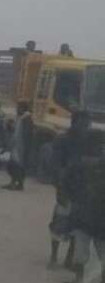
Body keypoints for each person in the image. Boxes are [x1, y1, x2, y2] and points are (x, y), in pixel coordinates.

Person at [61, 127, 105, 283]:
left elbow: (66, 183)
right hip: (102, 217)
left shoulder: (79, 162)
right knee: (103, 251)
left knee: (81, 251)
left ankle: (79, 281)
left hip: (83, 215)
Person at [48, 110, 91, 269]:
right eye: (83, 123)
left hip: (83, 191)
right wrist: (59, 187)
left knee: (77, 226)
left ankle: (68, 259)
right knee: (59, 223)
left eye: (87, 123)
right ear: (74, 123)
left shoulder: (89, 143)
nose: (86, 126)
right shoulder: (62, 140)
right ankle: (53, 257)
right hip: (66, 188)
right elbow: (55, 165)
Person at [4, 101, 34, 191]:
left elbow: (26, 134)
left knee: (16, 165)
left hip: (20, 146)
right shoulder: (22, 118)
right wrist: (10, 126)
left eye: (18, 108)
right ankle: (17, 184)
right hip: (17, 145)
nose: (16, 109)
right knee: (16, 164)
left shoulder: (26, 118)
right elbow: (16, 130)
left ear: (22, 108)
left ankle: (15, 184)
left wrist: (23, 147)